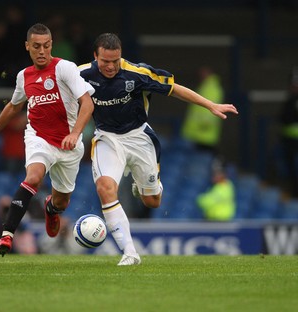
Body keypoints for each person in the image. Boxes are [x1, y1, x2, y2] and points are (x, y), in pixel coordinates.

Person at [79, 33, 238, 265]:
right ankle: (130, 252)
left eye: (116, 60)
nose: (111, 66)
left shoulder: (137, 73)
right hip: (107, 139)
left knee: (152, 201)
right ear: (95, 56)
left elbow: (175, 89)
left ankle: (146, 186)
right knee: (105, 188)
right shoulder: (80, 74)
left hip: (139, 139)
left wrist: (209, 105)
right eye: (105, 61)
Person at [0, 23, 95, 257]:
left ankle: (51, 209)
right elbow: (13, 106)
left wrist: (75, 133)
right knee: (34, 176)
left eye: (47, 46)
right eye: (37, 46)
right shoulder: (24, 76)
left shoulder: (65, 68)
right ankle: (8, 234)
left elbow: (87, 103)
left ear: (52, 45)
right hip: (39, 137)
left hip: (69, 145)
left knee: (62, 203)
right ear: (27, 46)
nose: (42, 51)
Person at [181, 66, 225, 154]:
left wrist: (203, 124)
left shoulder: (211, 88)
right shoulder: (206, 87)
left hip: (203, 135)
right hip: (198, 135)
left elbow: (209, 112)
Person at [279, 66, 298, 198]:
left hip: (292, 141)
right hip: (289, 141)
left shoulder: (293, 101)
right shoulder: (290, 100)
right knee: (290, 169)